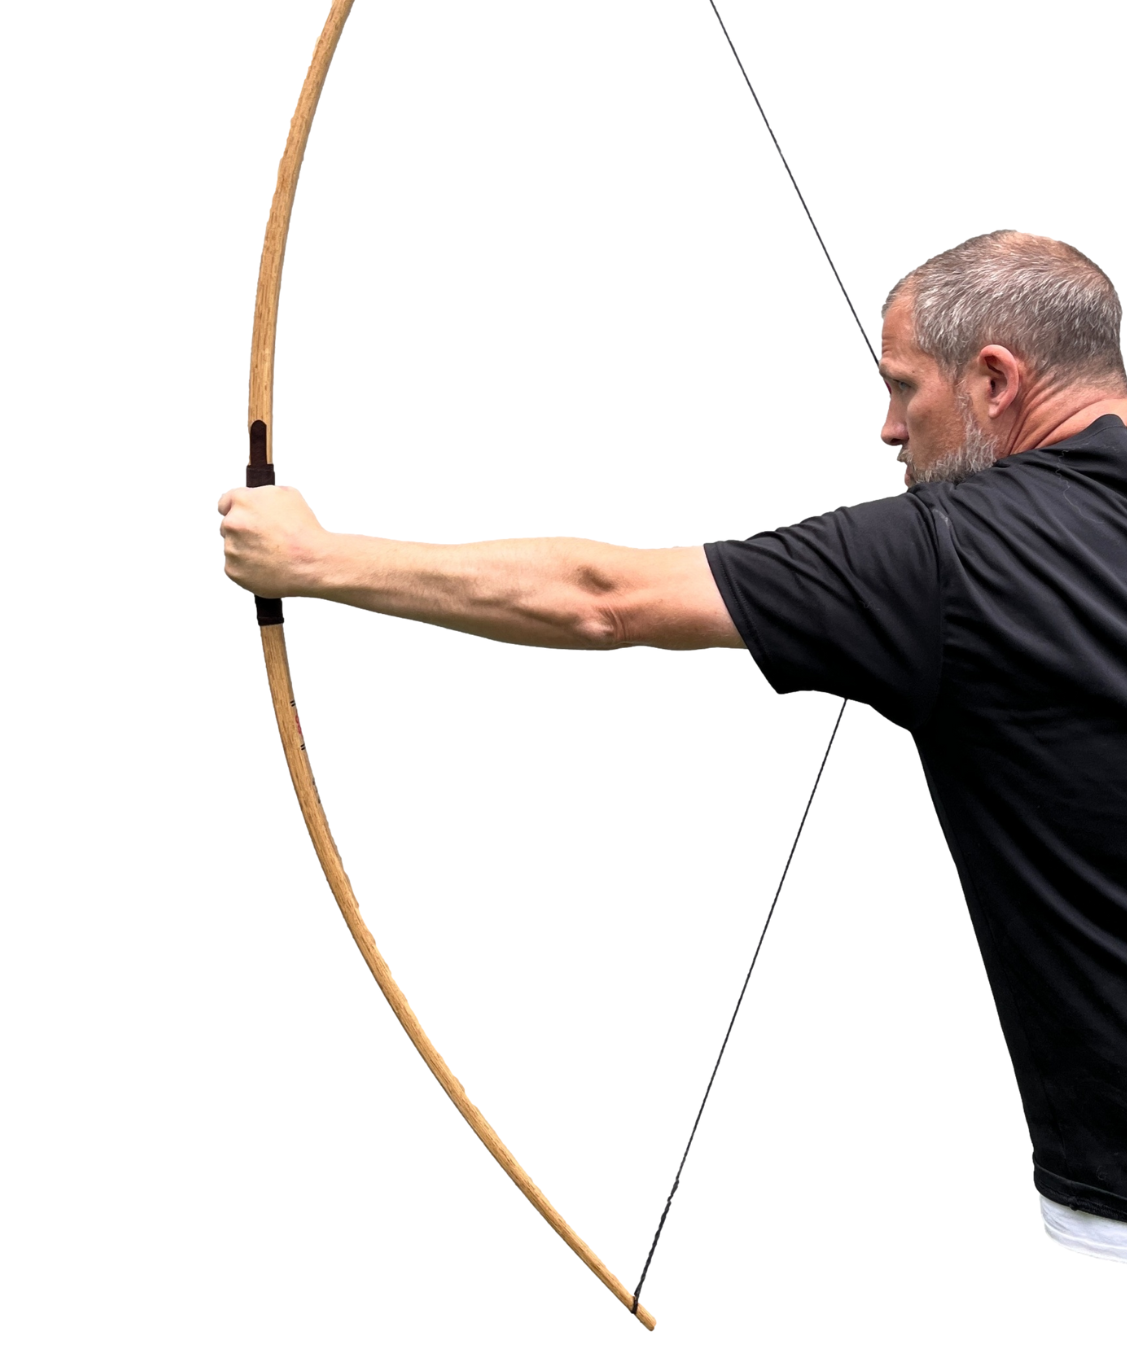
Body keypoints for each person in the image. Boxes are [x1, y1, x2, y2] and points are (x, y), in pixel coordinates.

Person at [219, 229, 1127, 1264]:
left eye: (902, 387)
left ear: (995, 380)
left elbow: (601, 599)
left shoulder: (954, 555)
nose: (887, 427)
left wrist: (312, 559)